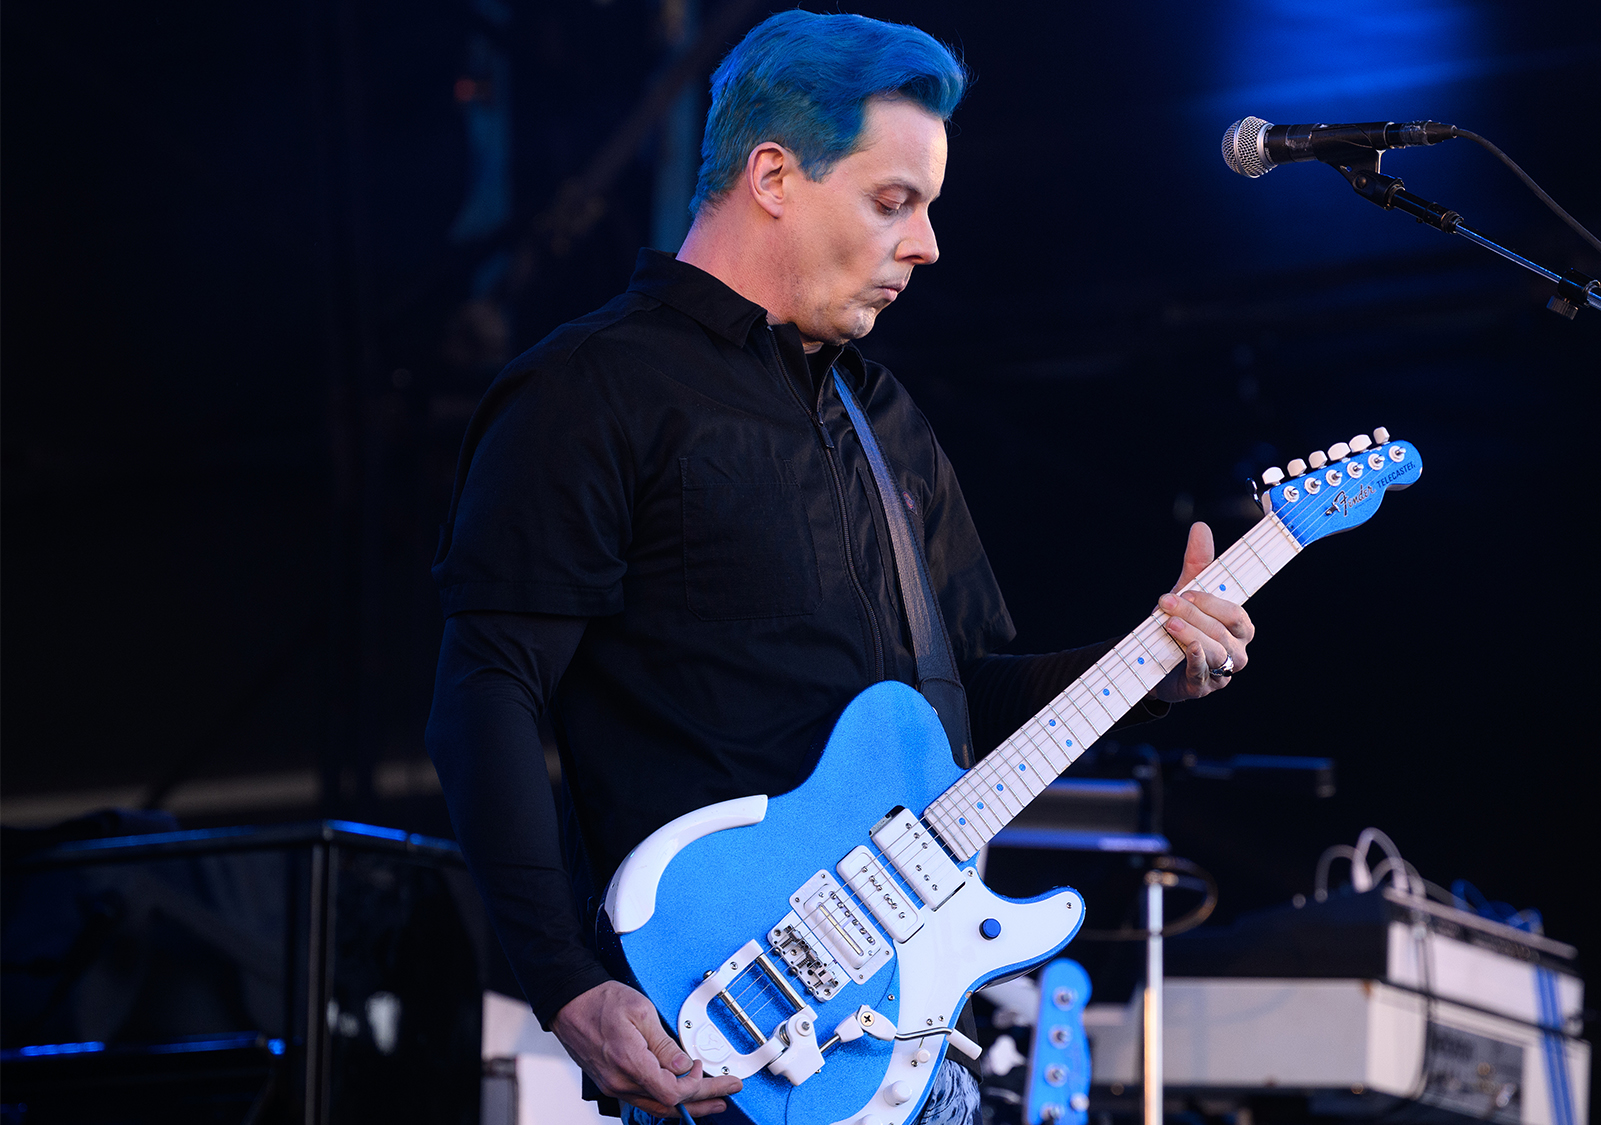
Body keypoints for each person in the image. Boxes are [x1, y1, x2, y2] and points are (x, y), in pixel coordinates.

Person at [424, 11, 1254, 1123]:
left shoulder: (885, 417)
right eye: (892, 201)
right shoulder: (590, 389)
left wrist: (1151, 665)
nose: (927, 245)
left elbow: (965, 700)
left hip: (903, 1041)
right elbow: (485, 691)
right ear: (773, 176)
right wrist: (566, 982)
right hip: (719, 1041)